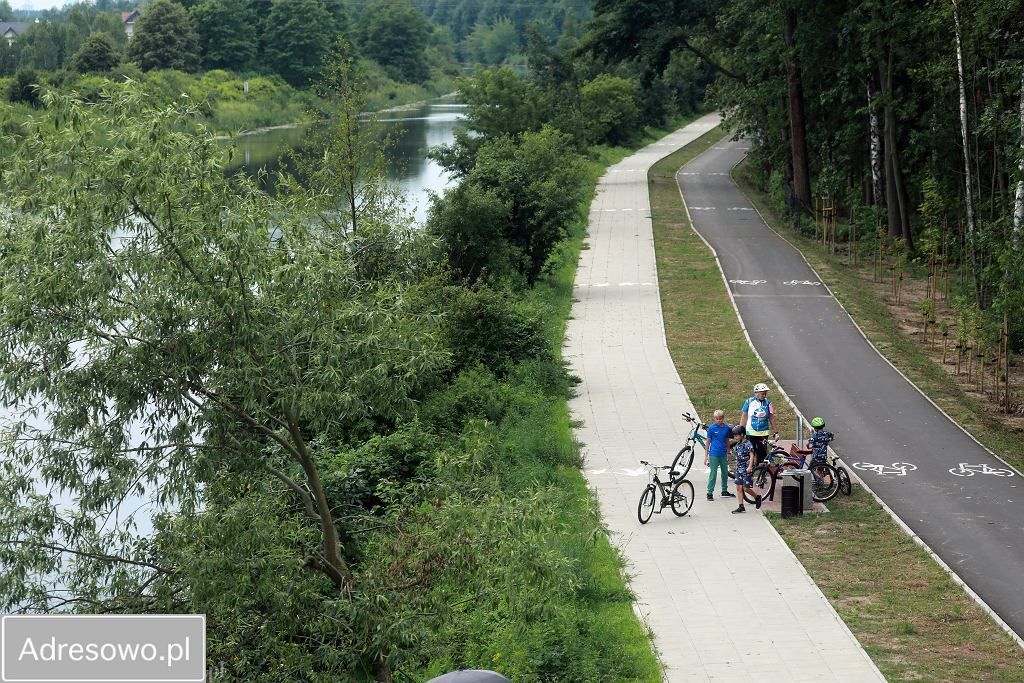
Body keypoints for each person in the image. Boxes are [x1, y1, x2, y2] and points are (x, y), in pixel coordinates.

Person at [740, 382, 778, 467]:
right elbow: (744, 416)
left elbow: (771, 417)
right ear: (756, 393)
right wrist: (741, 430)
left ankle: (762, 472)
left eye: (765, 393)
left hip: (763, 433)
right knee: (750, 451)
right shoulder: (749, 401)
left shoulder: (768, 403)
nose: (764, 395)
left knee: (762, 453)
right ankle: (750, 468)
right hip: (751, 432)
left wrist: (776, 432)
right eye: (762, 393)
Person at [703, 410, 735, 501]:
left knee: (725, 473)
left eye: (720, 419)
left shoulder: (726, 428)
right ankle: (709, 492)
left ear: (723, 418)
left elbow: (727, 441)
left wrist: (728, 453)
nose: (719, 421)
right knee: (713, 474)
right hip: (714, 454)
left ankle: (724, 490)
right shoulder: (711, 428)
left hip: (723, 454)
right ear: (714, 419)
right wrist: (706, 456)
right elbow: (708, 442)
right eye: (717, 419)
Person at [730, 424, 761, 513]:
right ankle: (741, 506)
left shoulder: (748, 444)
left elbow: (752, 456)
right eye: (734, 435)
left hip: (747, 468)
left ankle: (757, 497)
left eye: (736, 435)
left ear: (742, 435)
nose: (735, 437)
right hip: (739, 468)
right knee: (738, 487)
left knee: (746, 488)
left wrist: (750, 466)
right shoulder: (738, 444)